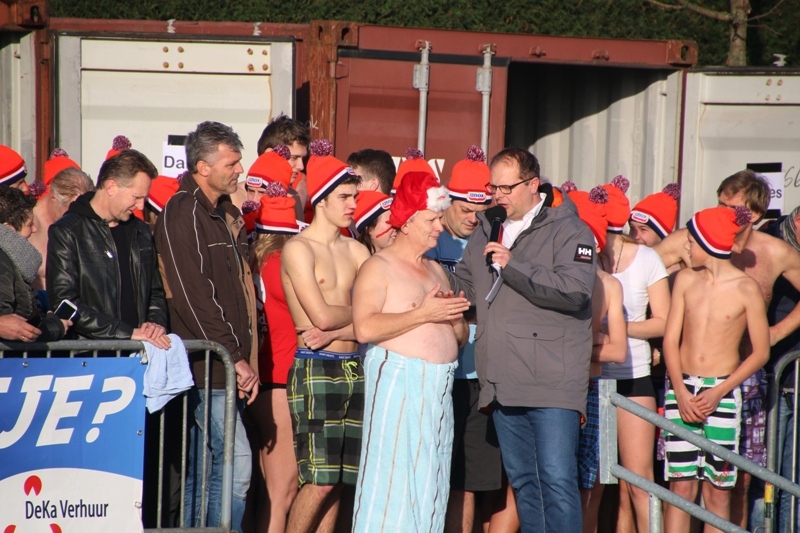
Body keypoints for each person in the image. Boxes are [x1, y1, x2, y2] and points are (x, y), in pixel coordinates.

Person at [447, 148, 596, 533]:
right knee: (525, 484)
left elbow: (575, 292)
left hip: (552, 382)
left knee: (557, 482)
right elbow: (468, 289)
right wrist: (424, 268)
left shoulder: (571, 230)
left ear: (533, 185)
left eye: (506, 188)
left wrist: (513, 264)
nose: (497, 196)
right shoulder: (486, 227)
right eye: (493, 187)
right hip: (501, 380)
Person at [655, 170, 800, 527]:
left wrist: (775, 332)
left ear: (753, 214)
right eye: (719, 203)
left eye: (730, 207)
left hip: (739, 380)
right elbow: (641, 270)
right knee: (681, 483)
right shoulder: (691, 241)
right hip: (684, 379)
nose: (721, 212)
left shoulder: (774, 252)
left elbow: (762, 347)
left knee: (734, 483)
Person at [155, 121, 260, 532]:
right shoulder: (183, 212)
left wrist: (242, 358)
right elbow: (194, 296)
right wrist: (233, 356)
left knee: (206, 469)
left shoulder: (222, 213)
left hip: (225, 366)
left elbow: (238, 294)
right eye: (231, 163)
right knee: (236, 466)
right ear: (203, 167)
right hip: (208, 367)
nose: (239, 170)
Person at [351, 171, 470, 533]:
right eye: (432, 219)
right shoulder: (378, 267)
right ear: (407, 221)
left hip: (439, 390)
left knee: (431, 485)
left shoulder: (436, 270)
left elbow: (460, 337)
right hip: (399, 386)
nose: (439, 227)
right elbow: (364, 328)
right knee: (392, 488)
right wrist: (424, 313)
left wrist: (453, 319)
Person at [281, 139, 371, 533]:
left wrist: (352, 319)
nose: (353, 205)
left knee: (340, 482)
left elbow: (375, 313)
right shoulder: (298, 249)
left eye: (355, 196)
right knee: (318, 481)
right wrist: (362, 314)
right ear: (320, 200)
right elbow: (319, 315)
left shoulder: (357, 250)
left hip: (356, 365)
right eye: (345, 197)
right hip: (317, 366)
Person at [662, 206, 770, 533]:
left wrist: (720, 391)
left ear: (708, 244)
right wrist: (680, 391)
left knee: (718, 489)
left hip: (721, 394)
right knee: (680, 488)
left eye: (691, 242)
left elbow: (761, 352)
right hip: (681, 390)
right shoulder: (685, 280)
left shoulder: (746, 288)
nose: (685, 247)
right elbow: (670, 341)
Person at [433, 146, 518, 533]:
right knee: (433, 474)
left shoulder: (495, 240)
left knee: (469, 482)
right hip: (438, 373)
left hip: (478, 375)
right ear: (446, 202)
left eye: (480, 211)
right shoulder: (430, 240)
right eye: (465, 210)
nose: (472, 218)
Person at [597, 175, 670, 533]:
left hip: (633, 378)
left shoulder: (647, 259)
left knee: (638, 483)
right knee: (593, 486)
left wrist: (616, 329)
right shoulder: (584, 255)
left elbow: (663, 323)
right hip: (591, 379)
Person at [46, 148, 169, 347]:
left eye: (144, 199)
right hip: (90, 354)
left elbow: (155, 293)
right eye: (136, 197)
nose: (140, 206)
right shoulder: (68, 231)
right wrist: (126, 333)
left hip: (140, 354)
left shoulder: (140, 231)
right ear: (111, 187)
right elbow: (64, 302)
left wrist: (155, 325)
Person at [563, 183, 628, 533]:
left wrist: (575, 342)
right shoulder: (554, 277)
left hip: (593, 388)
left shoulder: (609, 285)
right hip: (558, 387)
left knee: (590, 488)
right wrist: (593, 339)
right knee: (551, 484)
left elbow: (618, 351)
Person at [250, 181, 301, 533]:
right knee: (282, 492)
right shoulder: (282, 263)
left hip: (264, 376)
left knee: (265, 492)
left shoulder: (254, 259)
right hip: (281, 378)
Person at [0, 187, 70, 342]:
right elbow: (12, 328)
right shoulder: (3, 262)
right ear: (8, 228)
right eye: (29, 224)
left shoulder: (12, 262)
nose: (35, 229)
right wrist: (55, 327)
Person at [29, 163, 94, 290]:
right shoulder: (29, 223)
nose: (79, 217)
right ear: (54, 199)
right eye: (72, 209)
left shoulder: (87, 222)